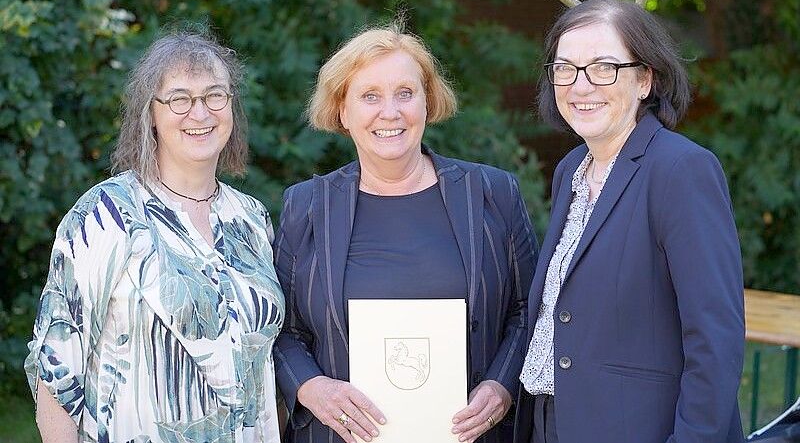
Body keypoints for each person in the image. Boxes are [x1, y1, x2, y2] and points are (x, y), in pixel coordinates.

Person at [273, 23, 539, 443]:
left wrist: (502, 387)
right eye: (370, 96)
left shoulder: (493, 193)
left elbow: (529, 309)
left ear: (427, 102)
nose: (390, 112)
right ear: (343, 110)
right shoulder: (305, 206)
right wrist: (311, 388)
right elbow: (282, 327)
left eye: (405, 93)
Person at [24, 30, 285, 443]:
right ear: (151, 115)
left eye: (215, 95)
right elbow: (57, 369)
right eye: (179, 99)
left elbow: (265, 368)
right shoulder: (107, 215)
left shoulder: (251, 219)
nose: (200, 113)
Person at [515, 0, 745, 443]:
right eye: (565, 68)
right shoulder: (570, 171)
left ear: (644, 79)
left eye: (603, 67)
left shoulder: (680, 171)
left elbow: (715, 340)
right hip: (553, 422)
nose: (581, 86)